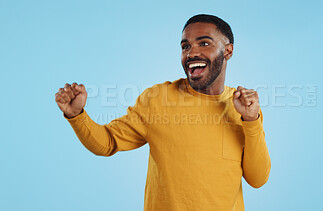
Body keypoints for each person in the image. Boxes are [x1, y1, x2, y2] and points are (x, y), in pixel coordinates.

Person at [55, 14, 271, 211]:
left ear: (228, 51)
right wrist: (77, 115)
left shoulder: (243, 107)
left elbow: (258, 179)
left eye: (204, 43)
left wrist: (251, 120)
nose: (192, 52)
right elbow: (108, 142)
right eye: (185, 46)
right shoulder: (158, 98)